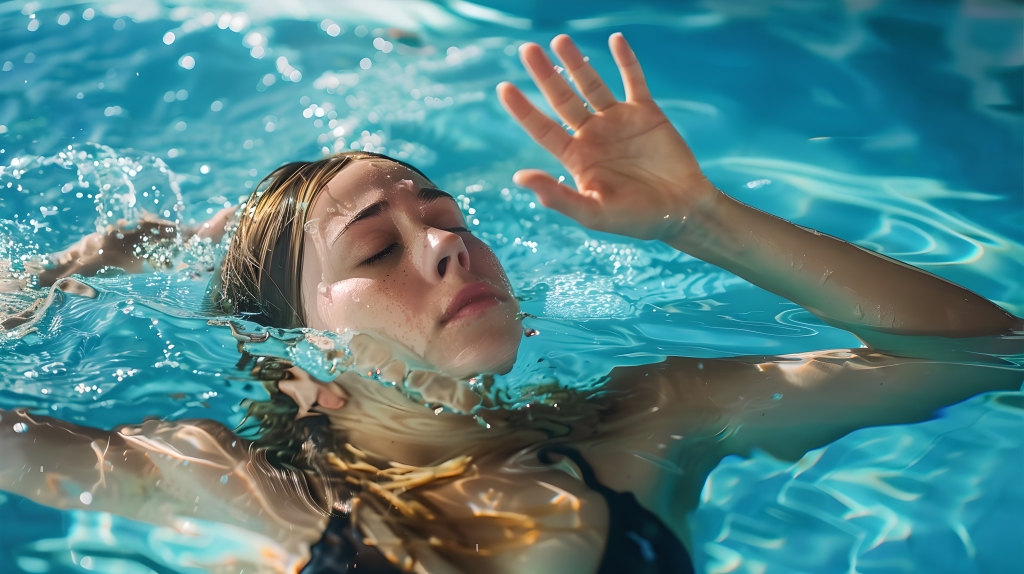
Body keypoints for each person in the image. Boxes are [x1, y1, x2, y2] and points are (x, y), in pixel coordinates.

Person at [1, 33, 1021, 574]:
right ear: (294, 365)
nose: (447, 240)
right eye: (377, 246)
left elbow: (991, 353)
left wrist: (701, 221)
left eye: (443, 215)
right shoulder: (240, 489)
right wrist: (45, 279)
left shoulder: (646, 427)